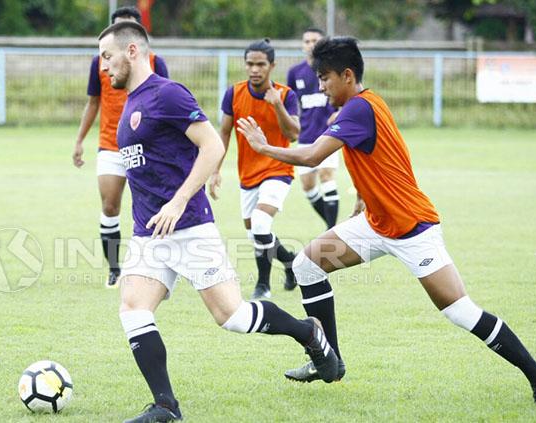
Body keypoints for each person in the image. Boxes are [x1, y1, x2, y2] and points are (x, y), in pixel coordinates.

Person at [236, 36, 536, 406]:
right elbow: (378, 156)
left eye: (325, 78)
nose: (321, 85)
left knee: (459, 310)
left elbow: (311, 156)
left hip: (412, 227)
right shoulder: (359, 107)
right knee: (308, 264)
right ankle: (330, 359)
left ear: (347, 74)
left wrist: (263, 147)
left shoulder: (358, 109)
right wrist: (362, 198)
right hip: (375, 223)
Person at [98, 21, 338, 422]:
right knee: (133, 308)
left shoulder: (167, 93)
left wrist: (178, 200)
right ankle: (165, 407)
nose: (103, 66)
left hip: (190, 226)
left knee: (234, 317)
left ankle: (308, 332)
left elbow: (211, 145)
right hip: (149, 233)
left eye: (107, 56)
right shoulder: (130, 105)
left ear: (133, 52)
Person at [72, 6, 169, 288]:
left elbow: (162, 101)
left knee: (152, 207)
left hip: (145, 147)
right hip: (110, 144)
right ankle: (115, 269)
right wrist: (79, 140)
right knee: (110, 205)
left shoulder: (155, 62)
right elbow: (93, 101)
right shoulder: (100, 63)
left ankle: (157, 266)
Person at [211, 39, 300, 300]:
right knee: (255, 234)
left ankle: (263, 285)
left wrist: (277, 105)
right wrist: (216, 170)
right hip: (247, 174)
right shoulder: (234, 93)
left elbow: (293, 134)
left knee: (261, 224)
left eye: (260, 64)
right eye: (250, 64)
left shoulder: (285, 95)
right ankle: (291, 262)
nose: (254, 69)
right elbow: (224, 132)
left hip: (278, 169)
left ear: (272, 66)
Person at [287, 27, 340, 230]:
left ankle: (331, 230)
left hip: (328, 135)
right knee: (308, 186)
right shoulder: (295, 72)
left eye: (315, 40)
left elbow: (347, 94)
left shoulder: (332, 69)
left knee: (327, 176)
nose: (310, 44)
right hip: (306, 135)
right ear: (302, 45)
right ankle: (331, 227)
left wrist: (340, 112)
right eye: (307, 41)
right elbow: (290, 102)